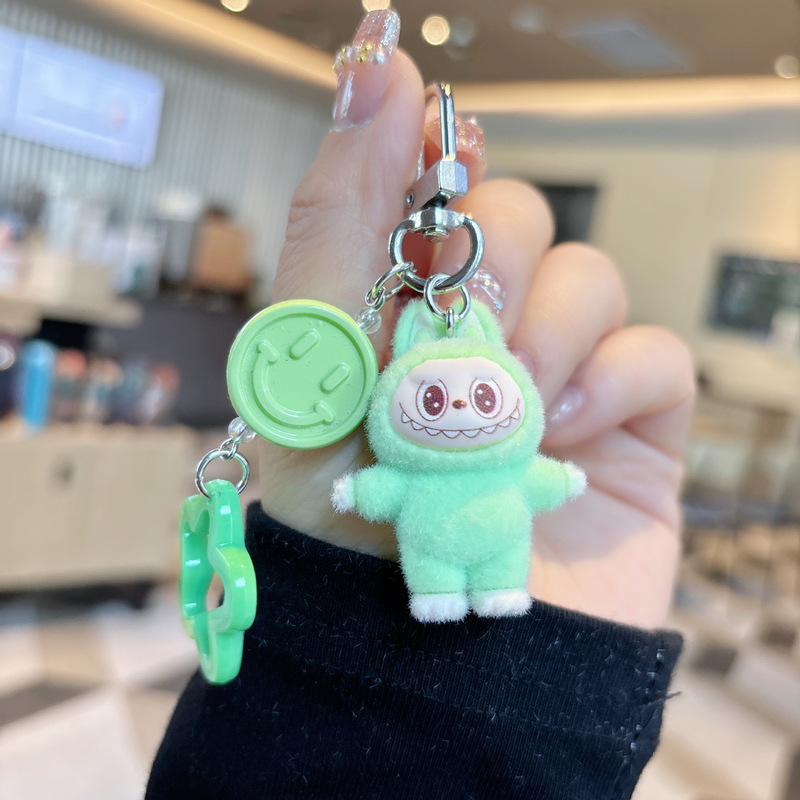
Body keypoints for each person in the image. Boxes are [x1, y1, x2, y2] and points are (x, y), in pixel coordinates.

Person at [146, 9, 695, 799]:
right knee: (437, 577)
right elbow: (378, 491)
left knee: (481, 572)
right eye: (436, 395)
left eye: (485, 390)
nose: (464, 406)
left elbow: (536, 482)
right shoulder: (405, 433)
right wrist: (540, 686)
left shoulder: (518, 462)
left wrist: (549, 675)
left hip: (504, 565)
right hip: (415, 586)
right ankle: (441, 594)